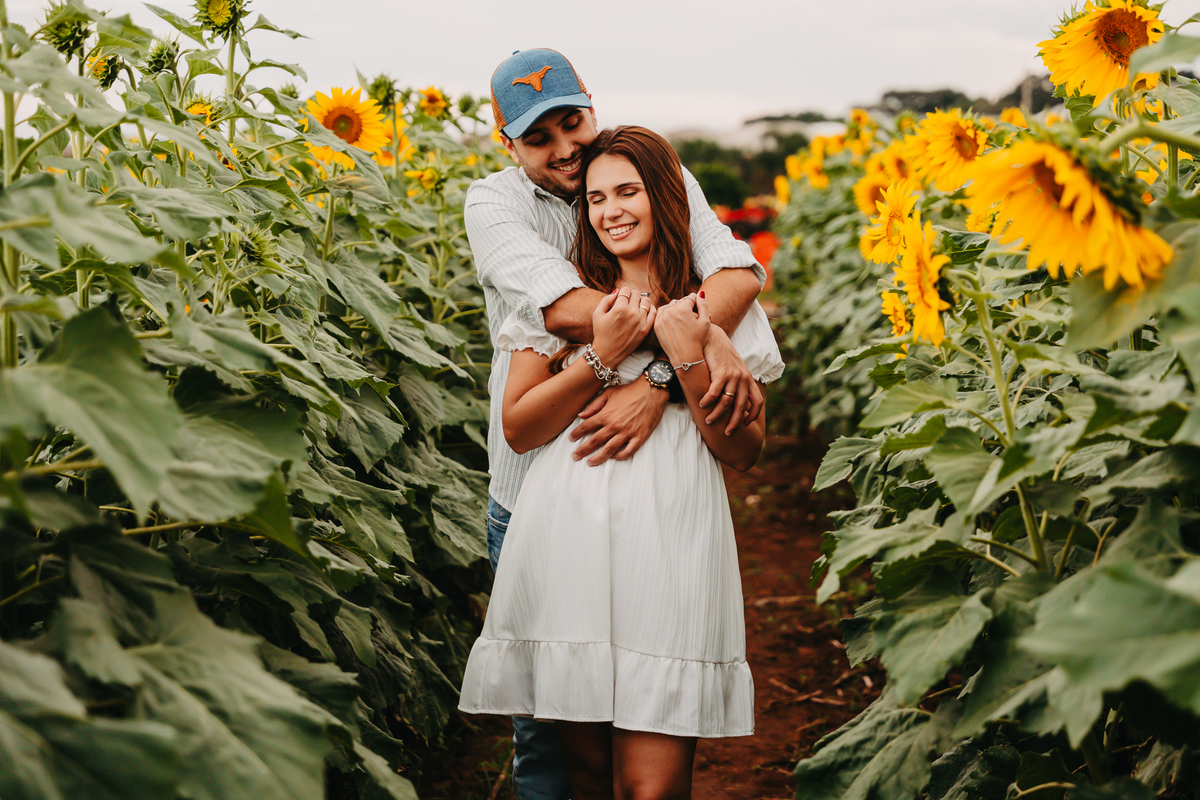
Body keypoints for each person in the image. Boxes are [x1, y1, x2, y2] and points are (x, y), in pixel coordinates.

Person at [464, 49, 768, 799]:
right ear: (508, 144)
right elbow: (567, 311)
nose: (566, 149)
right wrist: (687, 332)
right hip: (538, 499)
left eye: (573, 123)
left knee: (647, 768)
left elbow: (737, 273)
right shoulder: (495, 204)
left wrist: (669, 372)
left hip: (666, 527)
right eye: (540, 139)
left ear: (591, 109)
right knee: (552, 754)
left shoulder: (651, 169)